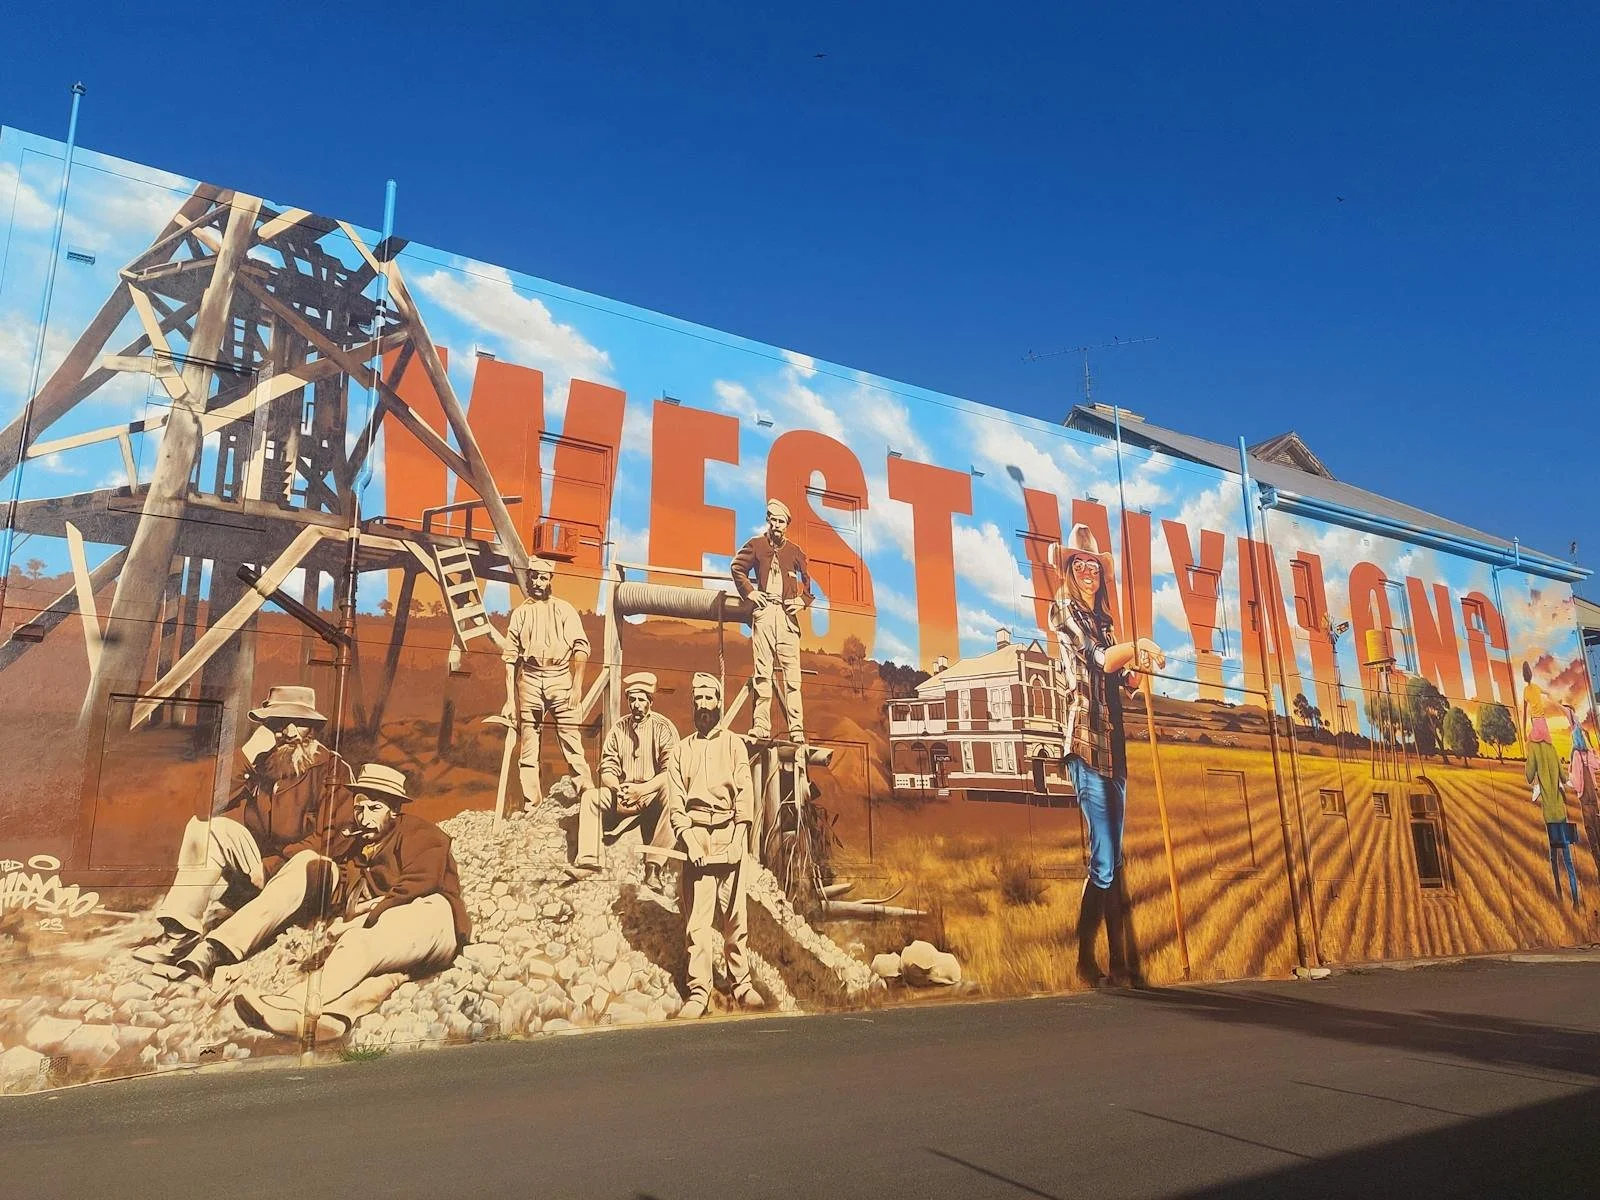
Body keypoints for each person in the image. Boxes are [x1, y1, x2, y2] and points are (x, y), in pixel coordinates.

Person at [174, 763, 469, 1043]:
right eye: (359, 807)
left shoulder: (420, 832)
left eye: (374, 808)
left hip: (432, 919)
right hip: (395, 942)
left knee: (359, 942)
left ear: (394, 809)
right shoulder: (356, 839)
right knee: (380, 979)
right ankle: (324, 1020)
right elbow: (331, 871)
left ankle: (292, 1002)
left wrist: (363, 916)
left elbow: (421, 882)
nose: (363, 817)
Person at [137, 686, 352, 965]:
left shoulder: (332, 768)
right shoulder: (262, 762)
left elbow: (332, 840)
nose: (287, 732)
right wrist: (247, 755)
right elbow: (205, 806)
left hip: (313, 878)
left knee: (311, 861)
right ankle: (181, 934)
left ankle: (217, 948)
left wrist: (270, 866)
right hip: (262, 873)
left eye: (298, 723)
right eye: (277, 722)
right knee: (206, 827)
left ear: (312, 728)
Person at [1048, 524, 1163, 988]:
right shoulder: (1064, 611)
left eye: (1094, 564)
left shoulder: (1107, 622)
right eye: (1080, 564)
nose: (1088, 570)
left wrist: (1138, 671)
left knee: (1112, 857)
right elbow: (1097, 660)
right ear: (1070, 570)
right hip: (1085, 743)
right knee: (1104, 857)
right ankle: (1088, 959)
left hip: (1114, 744)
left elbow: (1119, 682)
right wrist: (1132, 649)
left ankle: (1116, 964)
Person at [666, 672, 764, 1018]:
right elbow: (676, 803)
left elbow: (744, 793)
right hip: (697, 839)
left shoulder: (734, 745)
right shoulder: (681, 751)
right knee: (698, 922)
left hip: (728, 834)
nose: (703, 705)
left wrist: (739, 839)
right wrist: (690, 840)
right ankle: (698, 991)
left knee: (735, 918)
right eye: (698, 699)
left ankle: (742, 984)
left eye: (709, 698)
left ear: (719, 702)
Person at [568, 671, 680, 893]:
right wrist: (617, 788)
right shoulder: (619, 728)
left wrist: (643, 789)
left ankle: (653, 867)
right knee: (591, 797)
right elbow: (608, 767)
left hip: (652, 794)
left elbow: (671, 772)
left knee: (673, 792)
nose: (636, 705)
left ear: (650, 701)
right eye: (633, 699)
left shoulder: (663, 728)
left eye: (641, 699)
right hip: (625, 794)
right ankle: (589, 861)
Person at [501, 556, 593, 805]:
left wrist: (577, 686)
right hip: (529, 681)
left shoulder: (564, 609)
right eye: (535, 577)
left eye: (543, 577)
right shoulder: (520, 614)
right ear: (529, 578)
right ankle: (532, 804)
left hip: (560, 678)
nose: (539, 582)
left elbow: (581, 647)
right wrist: (510, 701)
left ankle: (587, 796)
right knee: (529, 744)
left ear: (550, 580)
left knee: (571, 738)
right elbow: (510, 659)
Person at [731, 498, 813, 743]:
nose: (776, 525)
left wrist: (802, 601)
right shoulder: (756, 545)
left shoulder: (795, 551)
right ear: (767, 521)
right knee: (762, 673)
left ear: (786, 525)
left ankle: (796, 728)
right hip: (765, 613)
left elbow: (808, 580)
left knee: (793, 677)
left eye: (781, 521)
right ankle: (761, 725)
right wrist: (750, 592)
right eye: (773, 520)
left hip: (787, 618)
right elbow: (737, 568)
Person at [1521, 663, 1577, 905]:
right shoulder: (1554, 750)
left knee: (1553, 857)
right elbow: (1565, 778)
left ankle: (1558, 893)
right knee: (1568, 858)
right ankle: (1575, 896)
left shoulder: (1534, 749)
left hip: (1548, 814)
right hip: (1561, 813)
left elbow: (1529, 774)